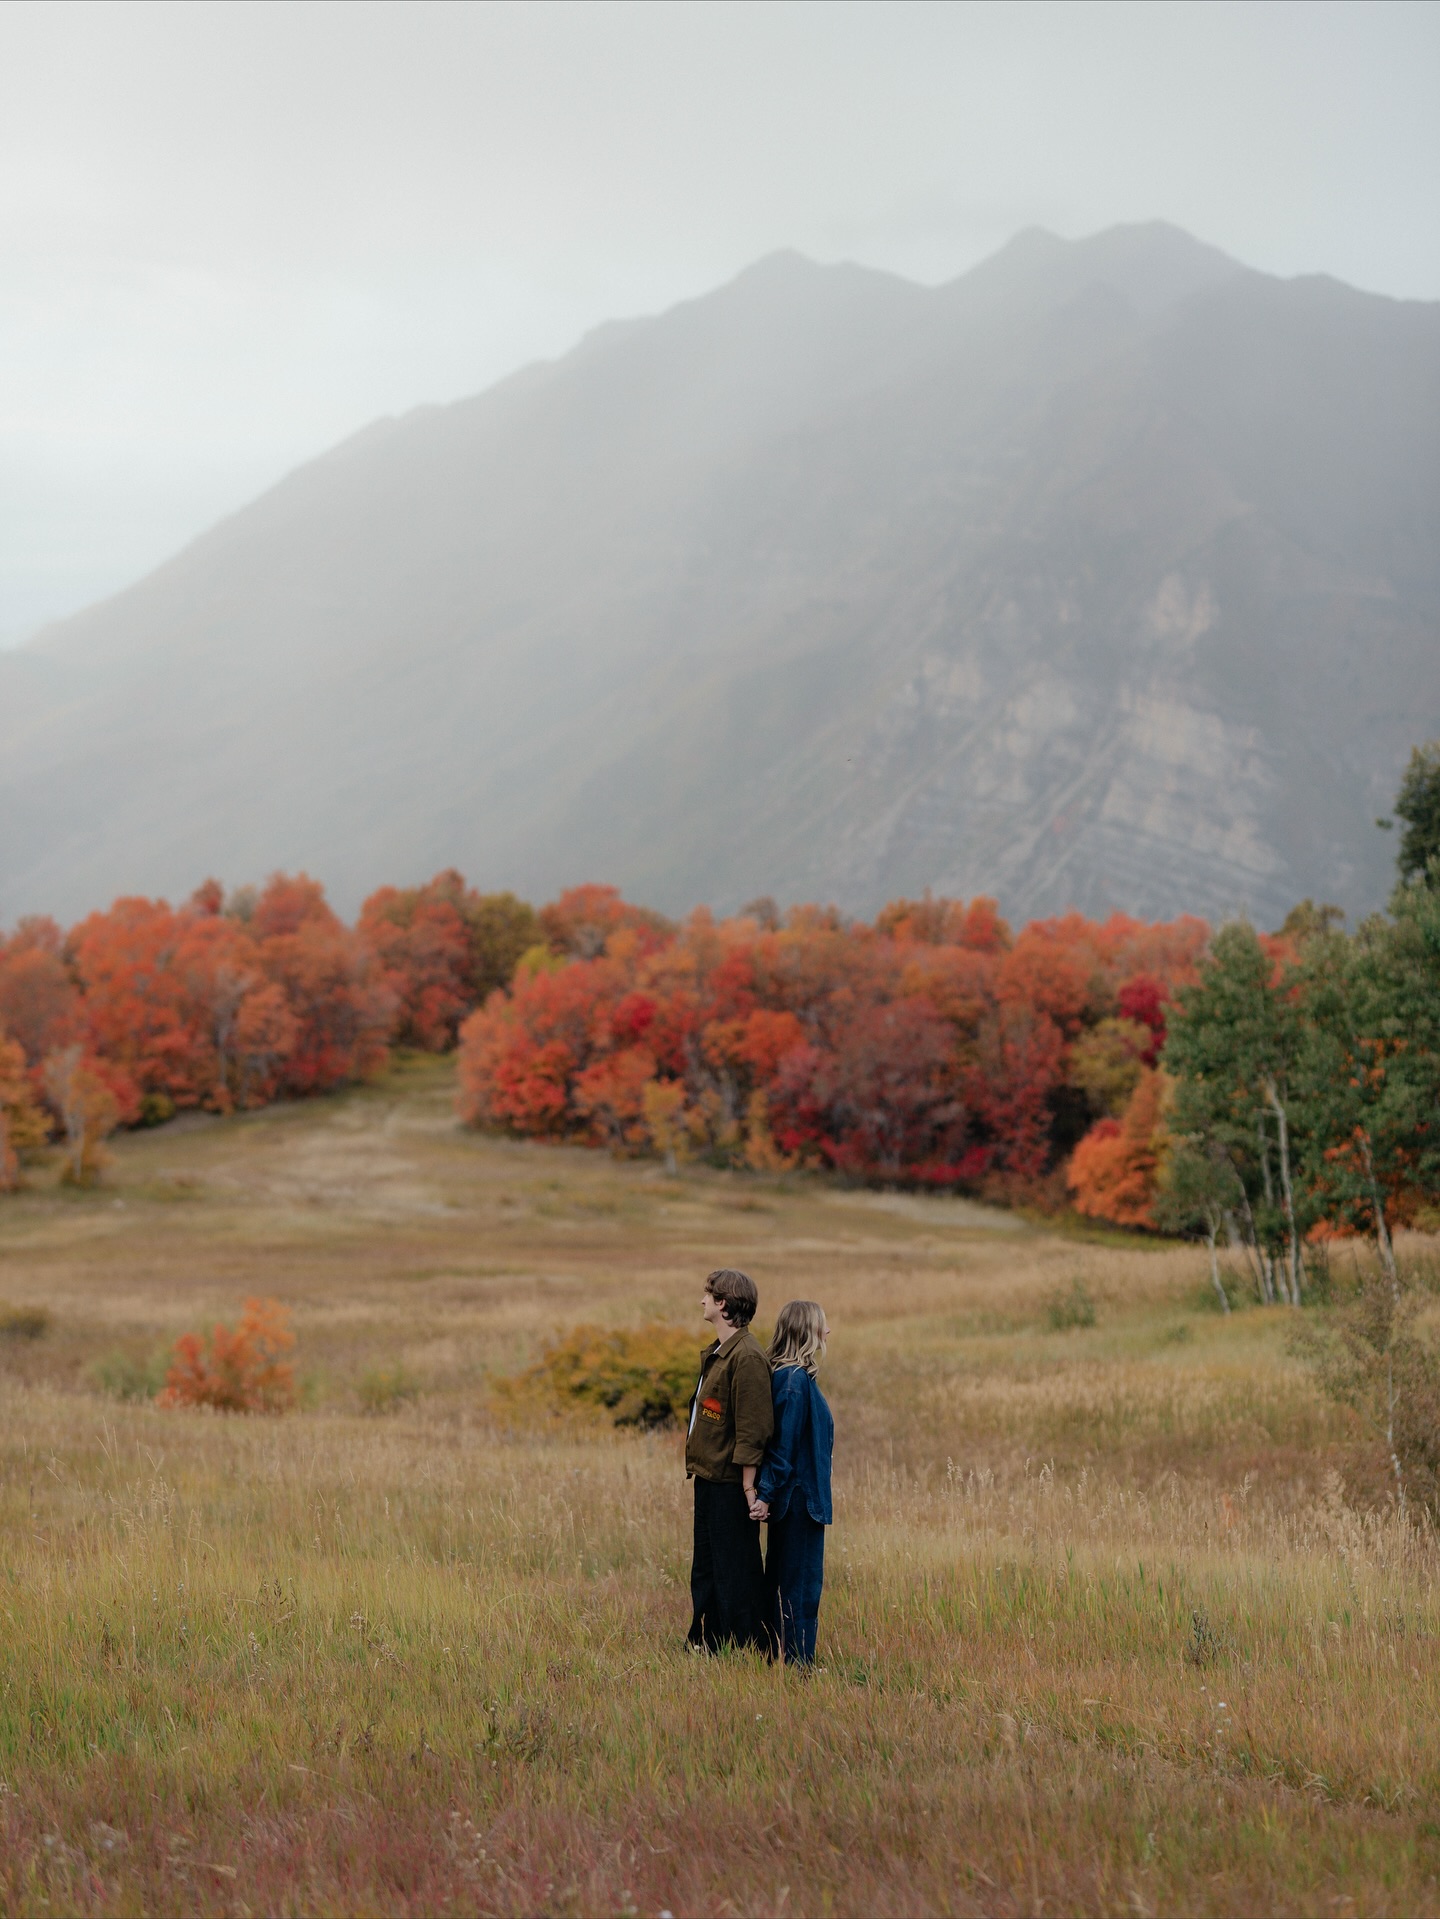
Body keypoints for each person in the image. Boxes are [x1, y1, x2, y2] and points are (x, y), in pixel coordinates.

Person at [685, 1267, 774, 1652]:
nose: (702, 1300)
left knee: (734, 1568)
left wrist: (748, 1486)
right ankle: (705, 1642)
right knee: (706, 1567)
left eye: (708, 1295)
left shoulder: (748, 1357)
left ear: (723, 1304)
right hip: (708, 1476)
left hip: (729, 1483)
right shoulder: (722, 1352)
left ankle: (745, 1648)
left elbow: (754, 1428)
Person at [750, 1299, 833, 1669]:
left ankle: (780, 1660)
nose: (827, 1333)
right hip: (799, 1502)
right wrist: (766, 1494)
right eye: (822, 1325)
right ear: (807, 1332)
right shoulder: (794, 1381)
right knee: (800, 1588)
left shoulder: (792, 1378)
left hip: (799, 1500)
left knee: (788, 1584)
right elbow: (782, 1446)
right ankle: (798, 1668)